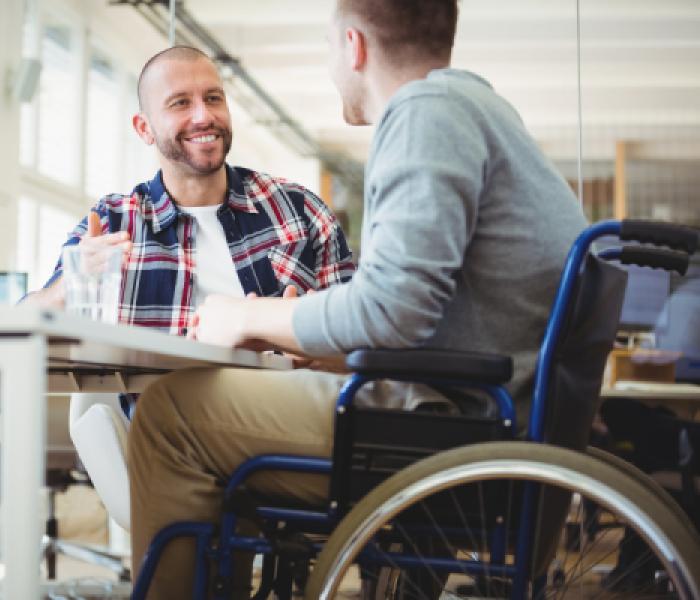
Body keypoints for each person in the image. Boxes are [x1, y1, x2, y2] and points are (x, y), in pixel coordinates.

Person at [128, 1, 588, 596]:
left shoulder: (425, 113)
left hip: (453, 431)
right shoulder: (485, 109)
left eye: (328, 50)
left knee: (170, 413)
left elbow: (390, 309)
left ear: (354, 46)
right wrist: (307, 336)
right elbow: (425, 311)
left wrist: (244, 314)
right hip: (495, 413)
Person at [22, 45, 353, 527]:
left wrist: (308, 342)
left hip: (283, 435)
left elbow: (362, 337)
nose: (204, 116)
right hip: (165, 446)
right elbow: (26, 319)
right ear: (144, 128)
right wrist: (69, 285)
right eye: (180, 103)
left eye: (213, 98)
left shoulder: (299, 211)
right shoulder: (114, 221)